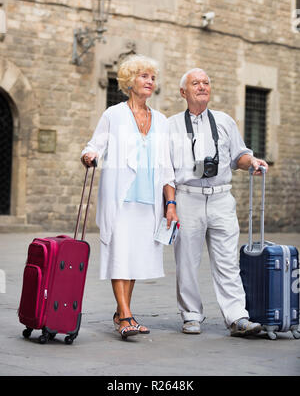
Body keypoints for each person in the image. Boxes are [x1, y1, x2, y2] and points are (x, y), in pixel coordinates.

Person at [165, 68, 268, 337]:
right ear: (182, 92)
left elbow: (240, 155)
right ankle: (190, 315)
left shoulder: (224, 121)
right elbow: (164, 170)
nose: (202, 86)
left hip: (222, 197)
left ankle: (237, 317)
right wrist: (170, 204)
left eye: (206, 82)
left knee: (228, 261)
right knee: (186, 260)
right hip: (188, 197)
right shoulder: (171, 125)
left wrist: (252, 163)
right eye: (195, 83)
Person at [81, 54, 175, 340]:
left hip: (149, 201)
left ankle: (122, 312)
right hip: (120, 199)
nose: (150, 81)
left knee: (133, 257)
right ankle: (126, 316)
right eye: (144, 76)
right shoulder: (113, 115)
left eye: (152, 77)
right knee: (119, 253)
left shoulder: (161, 120)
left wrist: (170, 203)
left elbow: (168, 167)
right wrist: (89, 155)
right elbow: (94, 145)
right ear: (130, 81)